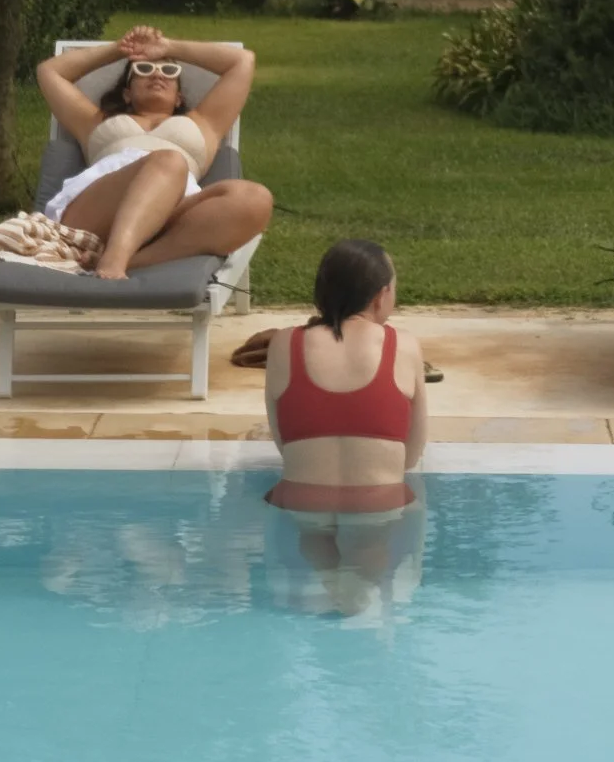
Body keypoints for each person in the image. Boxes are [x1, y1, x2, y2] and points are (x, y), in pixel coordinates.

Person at [35, 27, 272, 282]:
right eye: (144, 69)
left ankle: (123, 259)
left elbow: (242, 61)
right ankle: (115, 259)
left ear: (179, 97)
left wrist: (169, 47)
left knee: (256, 198)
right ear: (127, 92)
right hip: (98, 210)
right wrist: (121, 49)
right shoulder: (95, 122)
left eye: (169, 71)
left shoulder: (205, 123)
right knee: (168, 160)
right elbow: (50, 71)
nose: (157, 75)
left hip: (170, 215)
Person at [264, 239, 429, 512]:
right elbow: (410, 456)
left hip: (301, 503)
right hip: (379, 505)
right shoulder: (404, 345)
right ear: (381, 295)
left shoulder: (283, 344)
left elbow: (285, 443)